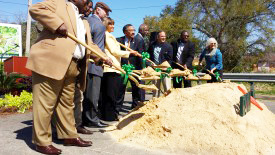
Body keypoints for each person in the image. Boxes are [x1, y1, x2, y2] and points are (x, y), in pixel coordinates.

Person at [26, 0, 111, 154]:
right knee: (45, 103)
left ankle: (69, 135)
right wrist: (57, 23)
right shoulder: (59, 3)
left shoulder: (83, 22)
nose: (87, 2)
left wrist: (103, 57)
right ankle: (41, 141)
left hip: (73, 65)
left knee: (67, 104)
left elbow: (88, 45)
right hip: (51, 61)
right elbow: (35, 8)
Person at [100, 17, 138, 121]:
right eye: (110, 24)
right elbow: (114, 51)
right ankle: (109, 116)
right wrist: (130, 53)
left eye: (113, 24)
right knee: (111, 95)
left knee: (110, 94)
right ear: (105, 25)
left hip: (114, 68)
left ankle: (108, 115)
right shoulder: (107, 35)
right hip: (111, 68)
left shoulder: (109, 35)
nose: (113, 26)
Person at [82, 1, 112, 128]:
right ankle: (92, 119)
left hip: (88, 63)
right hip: (95, 64)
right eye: (105, 11)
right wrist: (103, 58)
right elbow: (96, 45)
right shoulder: (98, 24)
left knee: (87, 95)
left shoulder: (87, 21)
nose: (107, 14)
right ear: (98, 10)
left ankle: (88, 118)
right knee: (92, 95)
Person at [116, 24, 143, 110]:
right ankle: (117, 109)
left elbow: (141, 56)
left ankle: (135, 108)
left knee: (136, 89)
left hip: (134, 69)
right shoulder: (118, 40)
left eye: (134, 30)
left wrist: (142, 69)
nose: (133, 32)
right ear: (125, 32)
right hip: (122, 69)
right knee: (120, 89)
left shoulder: (138, 41)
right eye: (131, 30)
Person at [148, 31, 173, 97]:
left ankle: (167, 103)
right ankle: (155, 102)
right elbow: (148, 56)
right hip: (155, 70)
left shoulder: (169, 46)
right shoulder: (152, 45)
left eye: (164, 36)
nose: (164, 38)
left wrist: (164, 67)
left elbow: (170, 59)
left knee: (167, 88)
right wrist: (150, 64)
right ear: (157, 37)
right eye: (162, 36)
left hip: (165, 71)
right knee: (155, 89)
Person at [134, 24, 149, 102]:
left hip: (138, 65)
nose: (147, 32)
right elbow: (140, 54)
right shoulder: (139, 39)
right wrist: (144, 66)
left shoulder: (138, 38)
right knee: (140, 84)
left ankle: (137, 102)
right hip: (139, 66)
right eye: (146, 30)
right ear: (141, 30)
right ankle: (141, 101)